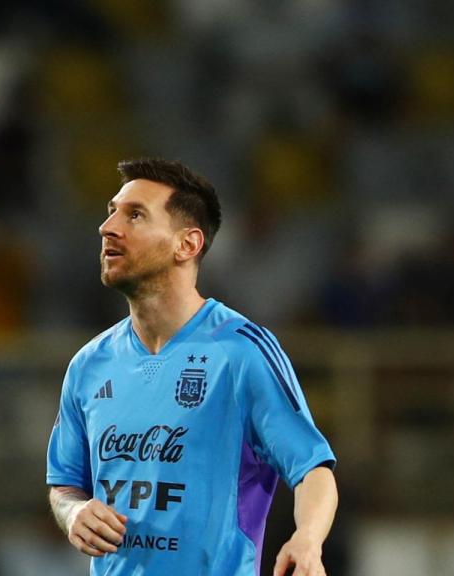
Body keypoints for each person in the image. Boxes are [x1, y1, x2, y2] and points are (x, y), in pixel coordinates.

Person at [46, 158, 338, 576]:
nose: (108, 227)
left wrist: (307, 538)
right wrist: (74, 513)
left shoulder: (241, 352)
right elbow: (65, 484)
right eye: (111, 212)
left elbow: (313, 468)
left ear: (187, 244)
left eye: (135, 215)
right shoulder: (88, 365)